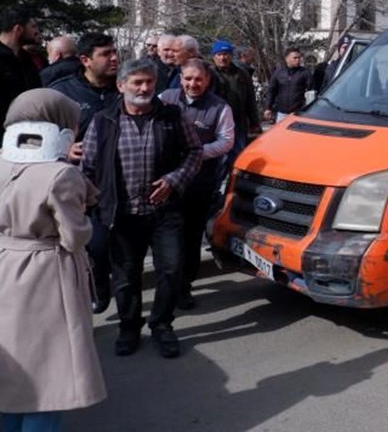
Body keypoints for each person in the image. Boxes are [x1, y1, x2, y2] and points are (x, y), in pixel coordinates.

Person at [80, 58, 202, 358]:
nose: (145, 88)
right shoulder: (103, 121)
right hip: (122, 216)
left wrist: (174, 180)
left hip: (165, 212)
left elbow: (195, 152)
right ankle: (129, 327)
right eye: (137, 82)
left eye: (149, 82)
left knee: (171, 270)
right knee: (125, 277)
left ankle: (161, 324)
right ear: (121, 86)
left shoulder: (172, 116)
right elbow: (89, 167)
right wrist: (95, 203)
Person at [0, 89, 107, 429]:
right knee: (49, 374)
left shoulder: (2, 161)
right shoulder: (61, 174)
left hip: (5, 263)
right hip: (46, 272)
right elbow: (74, 236)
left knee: (12, 369)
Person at [48, 32, 122, 314]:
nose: (114, 58)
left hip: (124, 182)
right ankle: (99, 285)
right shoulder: (62, 92)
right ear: (85, 60)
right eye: (106, 54)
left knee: (123, 248)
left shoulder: (125, 86)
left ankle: (126, 301)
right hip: (81, 185)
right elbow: (41, 133)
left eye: (114, 52)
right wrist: (64, 150)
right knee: (97, 246)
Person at [160, 59, 234, 309]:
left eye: (198, 79)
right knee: (169, 236)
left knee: (191, 237)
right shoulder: (165, 98)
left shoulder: (219, 107)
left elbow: (226, 141)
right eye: (188, 78)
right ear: (180, 78)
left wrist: (196, 152)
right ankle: (167, 283)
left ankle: (184, 287)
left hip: (200, 183)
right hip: (167, 181)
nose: (193, 84)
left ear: (207, 80)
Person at [210, 39, 261, 161]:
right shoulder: (209, 74)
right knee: (218, 158)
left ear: (231, 56)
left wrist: (254, 122)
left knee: (237, 156)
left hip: (238, 122)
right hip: (216, 124)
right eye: (219, 54)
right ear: (214, 57)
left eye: (226, 54)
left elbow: (250, 99)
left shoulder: (242, 74)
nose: (223, 58)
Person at [0, 8, 43, 144]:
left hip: (25, 138)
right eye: (33, 26)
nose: (37, 31)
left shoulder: (27, 61)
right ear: (18, 29)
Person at [264, 47, 314, 123]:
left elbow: (312, 91)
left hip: (298, 113)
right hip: (281, 114)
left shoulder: (305, 73)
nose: (298, 60)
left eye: (299, 58)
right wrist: (268, 108)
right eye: (295, 58)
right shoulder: (278, 73)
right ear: (287, 59)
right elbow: (271, 91)